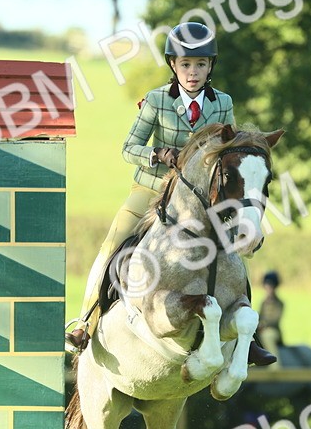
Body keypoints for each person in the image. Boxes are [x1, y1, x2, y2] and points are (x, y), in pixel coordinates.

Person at [69, 21, 275, 366]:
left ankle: (246, 335)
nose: (192, 73)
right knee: (112, 244)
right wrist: (156, 154)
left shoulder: (222, 103)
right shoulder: (156, 101)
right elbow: (128, 147)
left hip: (199, 199)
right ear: (173, 66)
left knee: (234, 254)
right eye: (185, 65)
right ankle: (85, 322)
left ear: (210, 67)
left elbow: (229, 148)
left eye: (200, 65)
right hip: (150, 189)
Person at [256, 270, 285, 359]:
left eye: (270, 286)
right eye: (266, 286)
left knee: (267, 336)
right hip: (260, 330)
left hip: (272, 331)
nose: (267, 288)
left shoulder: (279, 303)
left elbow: (275, 320)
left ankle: (275, 365)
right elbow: (260, 316)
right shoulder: (263, 302)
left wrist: (263, 325)